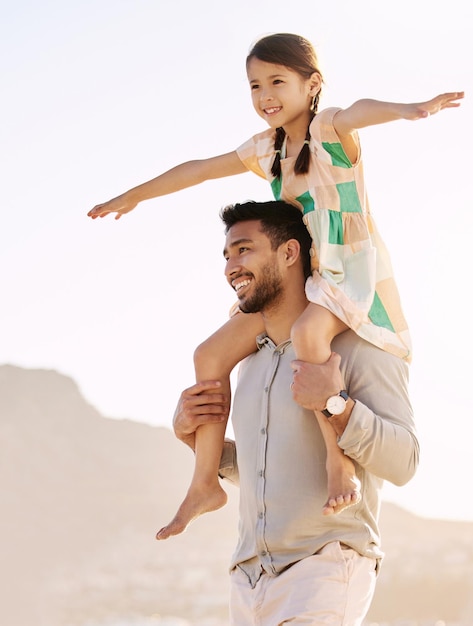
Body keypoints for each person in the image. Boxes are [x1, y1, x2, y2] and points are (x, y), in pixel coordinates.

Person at [88, 32, 461, 535]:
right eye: (255, 85)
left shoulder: (330, 130)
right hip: (305, 277)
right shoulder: (268, 149)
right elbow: (197, 170)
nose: (265, 95)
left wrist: (410, 108)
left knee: (308, 336)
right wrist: (132, 196)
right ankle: (204, 483)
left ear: (312, 86)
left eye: (278, 82)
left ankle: (337, 461)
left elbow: (360, 110)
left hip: (345, 268)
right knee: (209, 356)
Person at [167, 199, 419, 625]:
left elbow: (406, 462)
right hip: (248, 580)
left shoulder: (361, 347)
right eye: (227, 255)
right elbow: (269, 469)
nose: (231, 267)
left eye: (244, 250)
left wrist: (335, 404)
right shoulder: (248, 364)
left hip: (324, 567)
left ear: (289, 253)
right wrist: (188, 435)